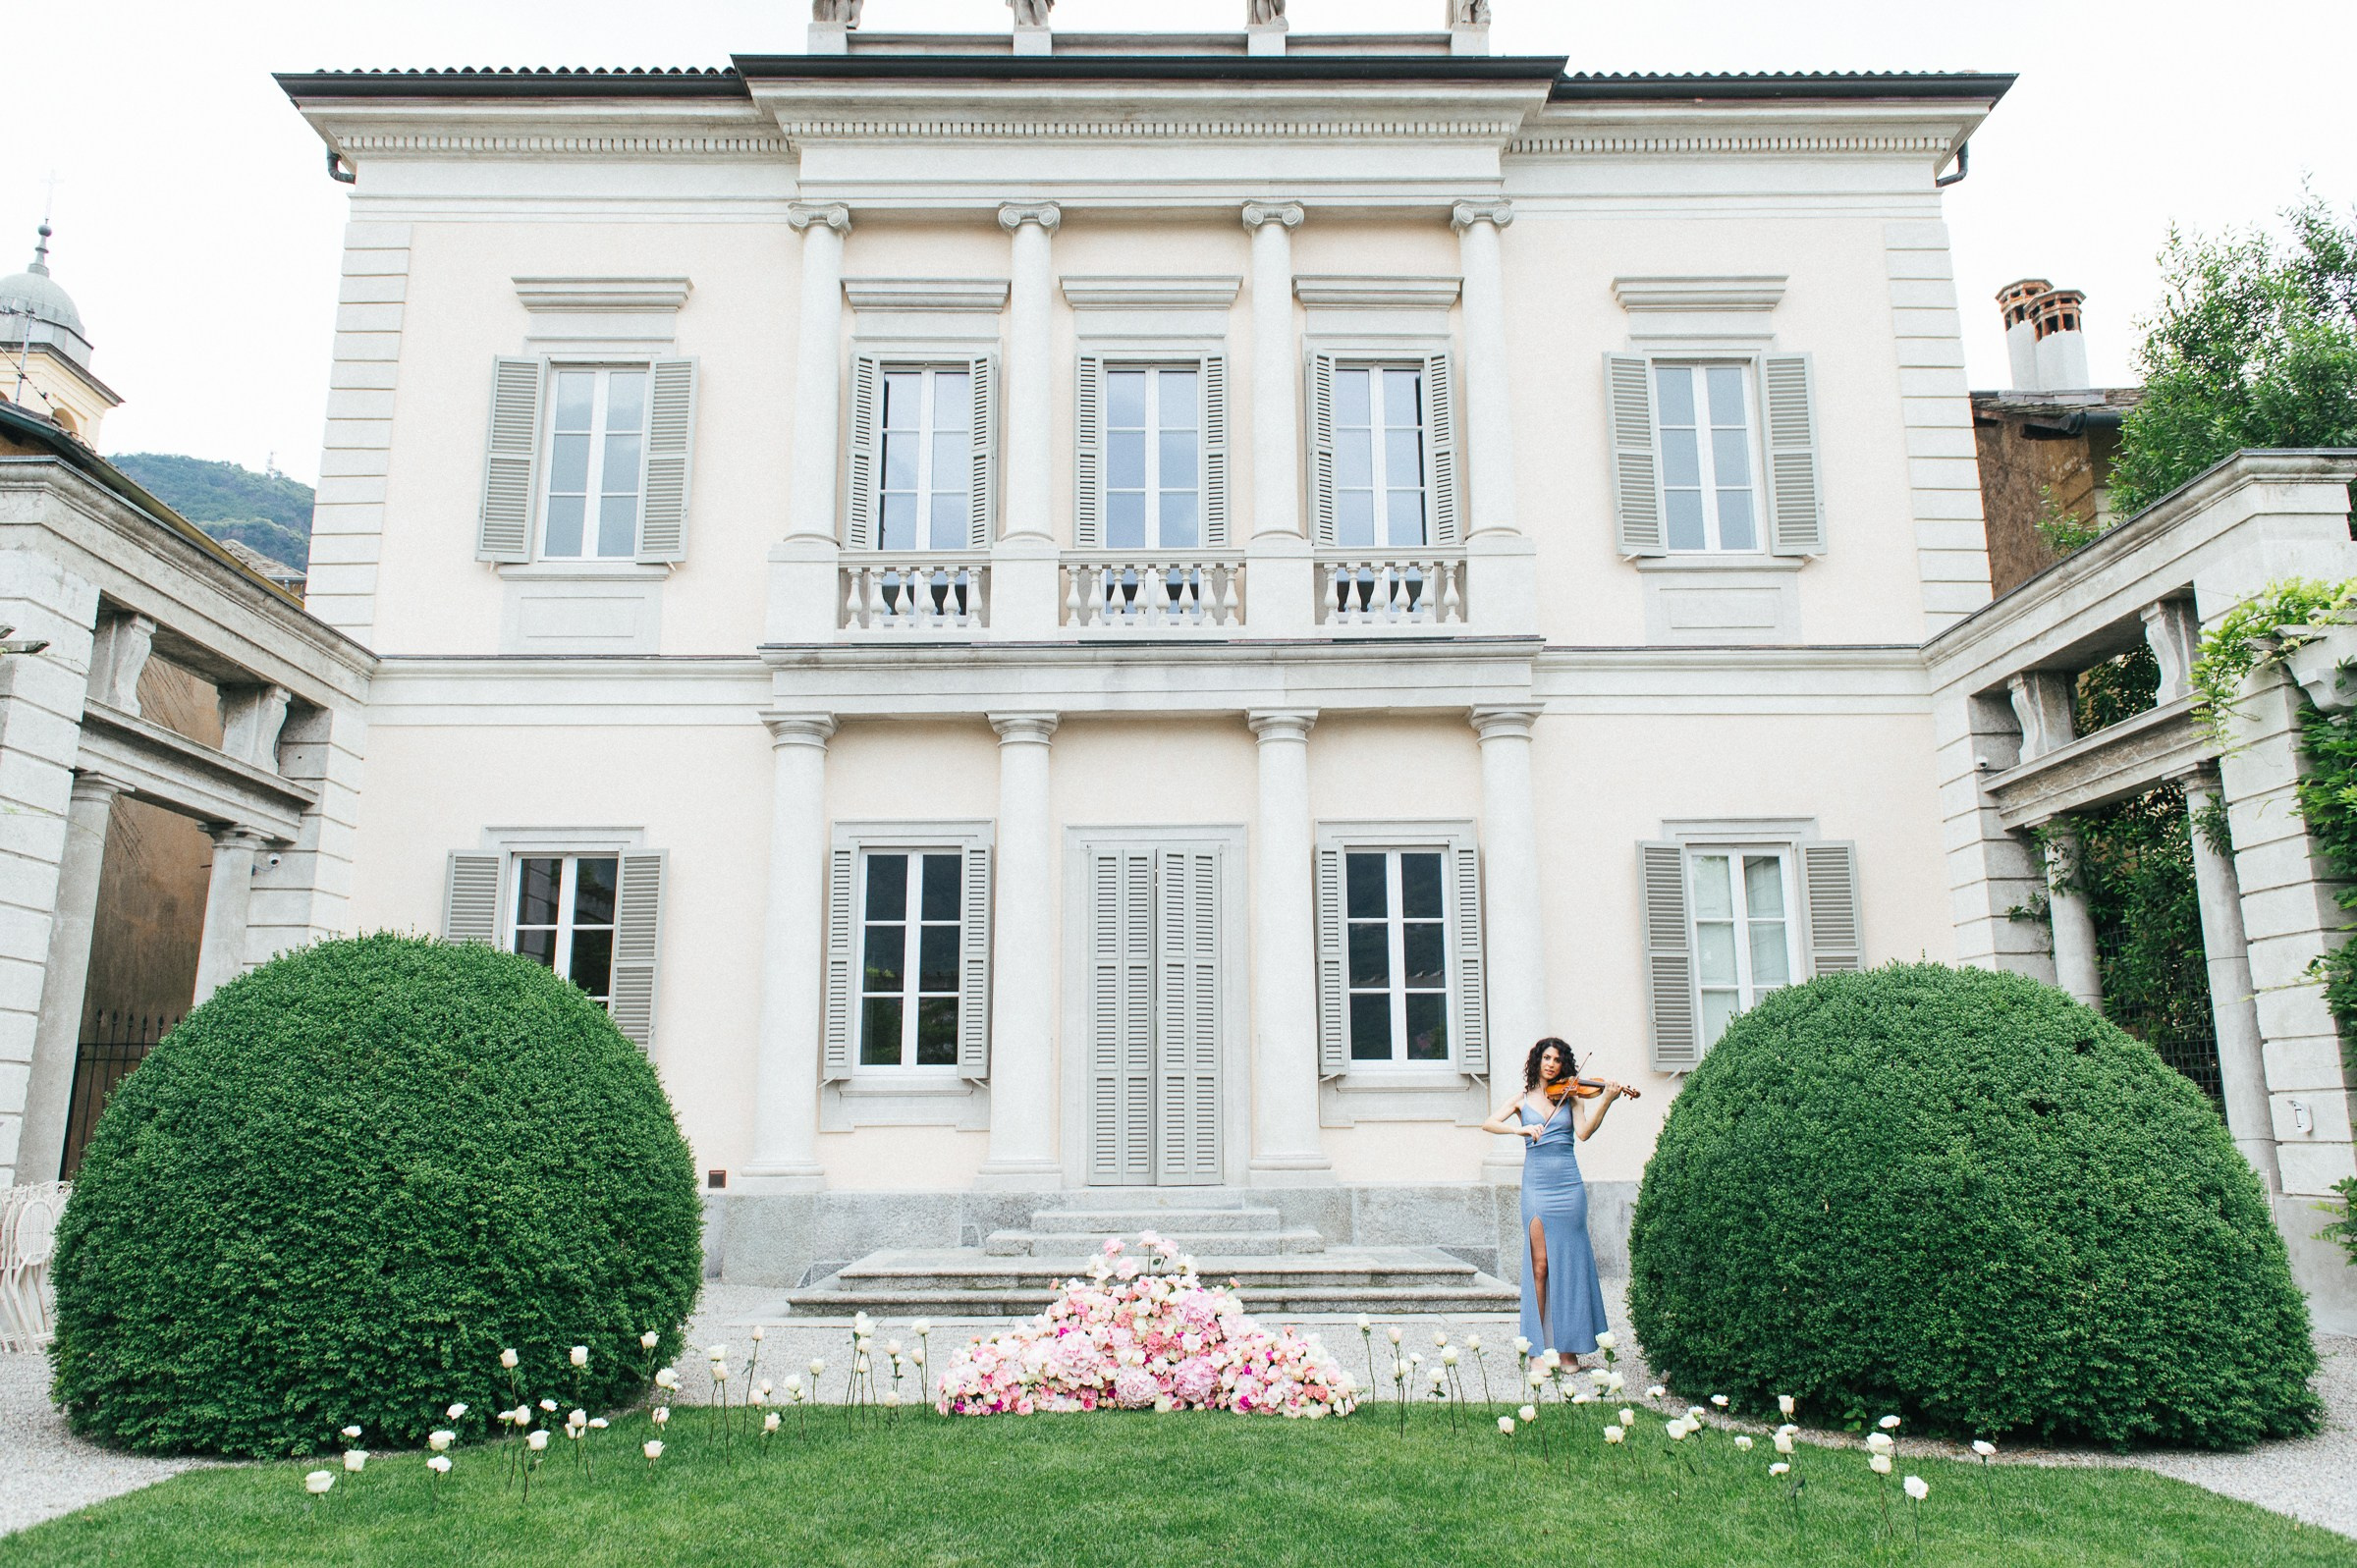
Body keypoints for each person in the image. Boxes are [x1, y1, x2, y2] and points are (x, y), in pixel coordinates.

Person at [1481, 1037, 1624, 1359]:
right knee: (1540, 1265)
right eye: (1546, 1058)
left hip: (1569, 1186)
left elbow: (1584, 1133)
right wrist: (1519, 1131)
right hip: (1537, 1187)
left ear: (1564, 1065)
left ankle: (1568, 1351)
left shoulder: (1573, 1096)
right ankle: (1535, 1351)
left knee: (1569, 1265)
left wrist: (1608, 1100)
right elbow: (1488, 1123)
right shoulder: (1521, 1099)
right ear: (1537, 1061)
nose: (1551, 1064)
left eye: (1557, 1060)